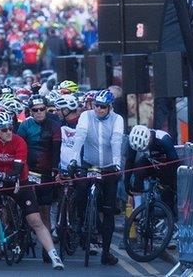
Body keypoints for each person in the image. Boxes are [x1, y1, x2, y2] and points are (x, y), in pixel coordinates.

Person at [0, 114, 64, 270]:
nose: (9, 132)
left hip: (18, 182)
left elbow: (17, 170)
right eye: (4, 129)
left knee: (35, 220)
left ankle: (54, 256)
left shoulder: (19, 141)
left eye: (10, 128)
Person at [70, 89, 123, 266]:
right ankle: (80, 221)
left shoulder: (118, 119)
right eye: (97, 106)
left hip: (109, 167)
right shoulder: (86, 116)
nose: (99, 110)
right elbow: (80, 136)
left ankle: (106, 252)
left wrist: (116, 163)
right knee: (80, 190)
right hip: (88, 163)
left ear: (110, 107)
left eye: (103, 107)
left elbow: (116, 141)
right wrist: (73, 159)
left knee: (108, 210)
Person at [16, 94, 60, 241]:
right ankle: (21, 231)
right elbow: (19, 148)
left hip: (46, 171)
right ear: (30, 111)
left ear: (46, 109)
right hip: (27, 169)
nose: (39, 112)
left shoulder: (54, 125)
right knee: (23, 205)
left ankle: (47, 246)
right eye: (35, 110)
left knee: (44, 209)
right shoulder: (25, 126)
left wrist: (55, 169)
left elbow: (56, 150)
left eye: (42, 109)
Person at [125, 125, 179, 217]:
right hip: (150, 161)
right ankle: (138, 208)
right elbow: (130, 161)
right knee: (138, 169)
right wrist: (126, 182)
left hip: (166, 164)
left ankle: (170, 216)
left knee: (167, 192)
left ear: (149, 138)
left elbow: (175, 164)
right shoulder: (133, 141)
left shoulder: (163, 139)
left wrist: (169, 185)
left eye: (145, 147)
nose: (144, 150)